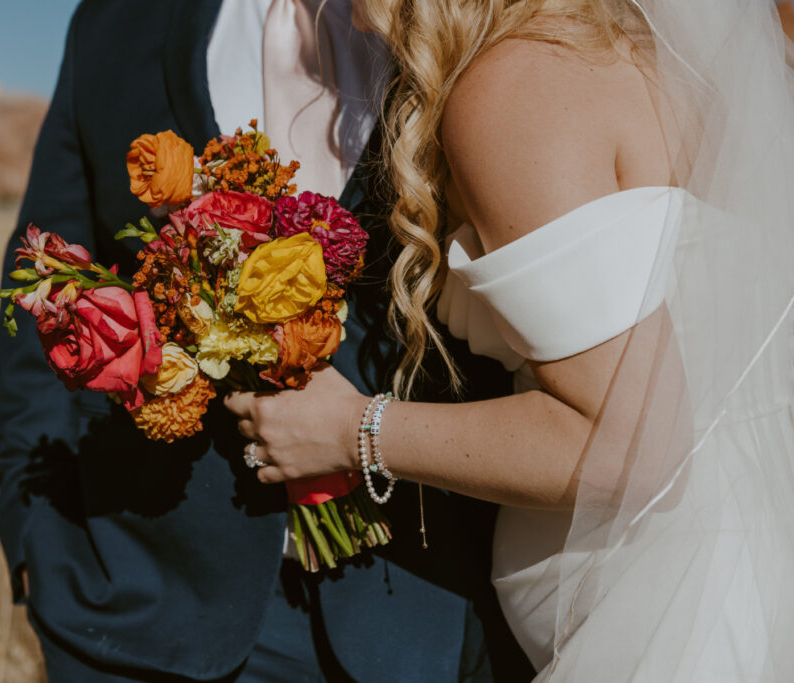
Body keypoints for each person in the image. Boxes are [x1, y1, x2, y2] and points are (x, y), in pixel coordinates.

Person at [226, 0, 794, 679]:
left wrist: (351, 430)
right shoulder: (625, 49)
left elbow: (627, 448)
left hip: (671, 617)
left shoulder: (516, 85)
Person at [0, 1, 532, 681]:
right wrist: (31, 529)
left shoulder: (462, 16)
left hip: (420, 604)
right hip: (143, 604)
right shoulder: (114, 21)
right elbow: (43, 278)